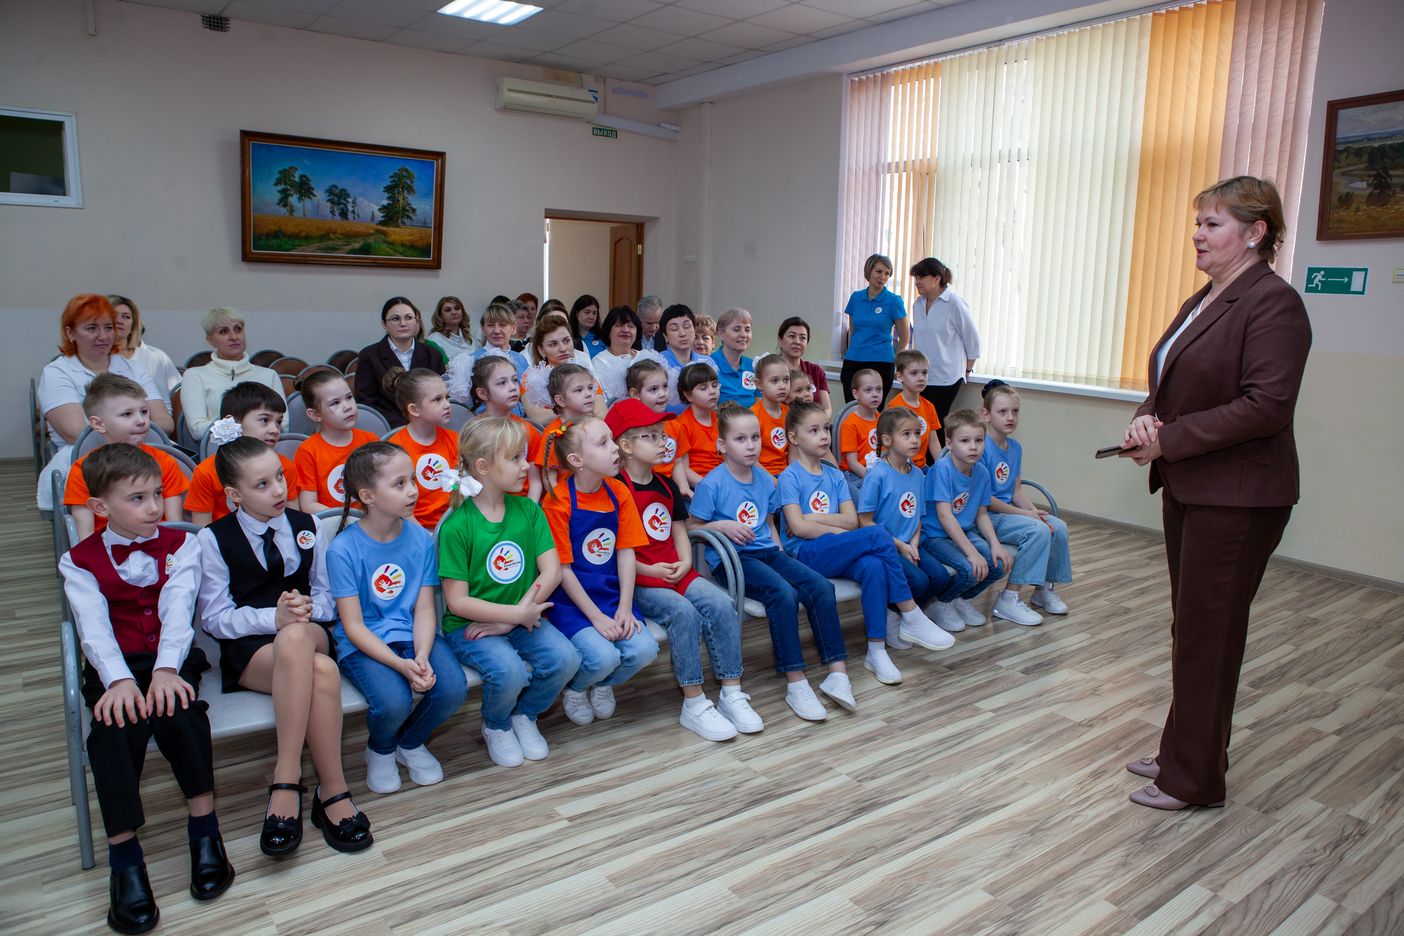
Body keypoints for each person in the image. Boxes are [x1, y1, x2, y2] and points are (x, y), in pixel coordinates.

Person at [1118, 176, 1311, 811]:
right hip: (1194, 486)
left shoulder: (1274, 304)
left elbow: (1265, 407)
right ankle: (1185, 749)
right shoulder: (1206, 298)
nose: (1197, 235)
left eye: (1212, 224)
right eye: (1198, 223)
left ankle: (1193, 779)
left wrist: (1169, 441)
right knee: (1194, 627)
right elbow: (1169, 382)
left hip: (1238, 496)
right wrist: (1148, 418)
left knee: (1210, 632)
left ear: (1255, 233)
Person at [59, 444, 234, 934]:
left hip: (170, 658)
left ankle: (205, 831)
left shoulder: (183, 545)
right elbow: (93, 629)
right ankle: (125, 859)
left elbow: (178, 611)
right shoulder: (78, 560)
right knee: (113, 727)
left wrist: (166, 670)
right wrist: (117, 680)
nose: (155, 507)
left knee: (180, 712)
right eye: (137, 499)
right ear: (100, 507)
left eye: (157, 494)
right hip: (112, 663)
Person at [196, 437, 371, 858]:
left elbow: (329, 597)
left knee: (296, 637)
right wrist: (271, 618)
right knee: (322, 671)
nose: (278, 489)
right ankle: (332, 791)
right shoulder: (212, 538)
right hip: (251, 648)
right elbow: (214, 618)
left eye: (279, 476)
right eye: (262, 485)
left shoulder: (309, 525)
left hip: (310, 632)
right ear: (234, 495)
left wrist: (305, 609)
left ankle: (286, 778)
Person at [609, 398, 764, 741]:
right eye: (650, 436)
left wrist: (684, 562)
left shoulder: (666, 485)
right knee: (683, 613)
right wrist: (653, 571)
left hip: (677, 570)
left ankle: (731, 692)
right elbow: (616, 554)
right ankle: (693, 703)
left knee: (722, 604)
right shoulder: (615, 490)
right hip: (640, 579)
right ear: (626, 446)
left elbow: (680, 531)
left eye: (661, 435)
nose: (662, 442)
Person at [687, 405, 853, 722]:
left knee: (820, 587)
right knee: (783, 593)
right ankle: (796, 683)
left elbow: (768, 521)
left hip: (767, 553)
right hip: (733, 560)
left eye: (755, 437)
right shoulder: (712, 484)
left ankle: (837, 672)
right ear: (722, 445)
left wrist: (779, 550)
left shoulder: (765, 479)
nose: (750, 445)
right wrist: (722, 526)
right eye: (740, 439)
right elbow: (691, 527)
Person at [438, 417, 579, 768]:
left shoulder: (528, 510)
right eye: (515, 458)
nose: (526, 466)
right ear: (483, 467)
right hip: (470, 626)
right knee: (510, 672)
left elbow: (551, 572)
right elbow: (457, 601)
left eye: (524, 457)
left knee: (566, 659)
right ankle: (496, 724)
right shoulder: (457, 526)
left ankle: (525, 715)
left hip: (521, 616)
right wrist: (515, 616)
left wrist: (514, 617)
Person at [328, 442, 468, 794]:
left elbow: (424, 609)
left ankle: (409, 742)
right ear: (368, 496)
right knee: (394, 701)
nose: (413, 490)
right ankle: (380, 748)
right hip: (364, 643)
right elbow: (353, 626)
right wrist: (400, 665)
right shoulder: (342, 549)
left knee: (452, 688)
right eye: (400, 483)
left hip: (411, 634)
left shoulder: (421, 540)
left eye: (413, 480)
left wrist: (420, 655)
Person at [778, 401, 947, 687]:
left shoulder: (835, 475)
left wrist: (815, 517)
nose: (823, 436)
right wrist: (834, 530)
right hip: (805, 553)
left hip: (836, 547)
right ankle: (910, 613)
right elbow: (798, 528)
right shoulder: (789, 477)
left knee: (873, 566)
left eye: (826, 429)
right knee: (878, 535)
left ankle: (876, 650)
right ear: (793, 437)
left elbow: (850, 521)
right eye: (814, 431)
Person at [541, 419, 660, 727]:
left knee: (645, 650)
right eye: (603, 443)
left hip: (611, 595)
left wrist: (625, 607)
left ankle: (603, 683)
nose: (615, 448)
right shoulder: (557, 502)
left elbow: (626, 552)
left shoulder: (618, 491)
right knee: (603, 657)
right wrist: (595, 617)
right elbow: (562, 570)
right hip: (571, 602)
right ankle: (576, 687)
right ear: (577, 460)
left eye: (612, 439)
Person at [858, 407, 959, 641]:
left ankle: (907, 619)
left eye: (917, 433)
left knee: (941, 578)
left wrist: (913, 542)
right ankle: (889, 614)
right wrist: (900, 546)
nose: (915, 440)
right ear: (887, 440)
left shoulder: (917, 474)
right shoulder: (877, 475)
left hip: (910, 543)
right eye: (906, 434)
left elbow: (918, 516)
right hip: (885, 545)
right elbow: (864, 521)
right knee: (919, 581)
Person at [980, 380, 1071, 624]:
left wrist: (1033, 511)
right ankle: (1008, 598)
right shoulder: (980, 447)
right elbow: (985, 500)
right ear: (986, 415)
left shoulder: (1015, 448)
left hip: (1009, 513)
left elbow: (1016, 490)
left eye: (1015, 411)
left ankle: (1043, 590)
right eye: (1002, 412)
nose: (1010, 417)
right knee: (1037, 531)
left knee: (1057, 527)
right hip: (988, 516)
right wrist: (1026, 516)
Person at [65, 374, 190, 539]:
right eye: (127, 414)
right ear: (99, 424)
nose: (141, 420)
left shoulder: (164, 461)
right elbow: (85, 536)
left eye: (144, 412)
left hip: (161, 543)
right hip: (108, 547)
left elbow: (175, 523)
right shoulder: (82, 470)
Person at [919, 409, 1011, 629]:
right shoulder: (941, 470)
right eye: (965, 441)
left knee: (998, 565)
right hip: (934, 536)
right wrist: (971, 553)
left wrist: (995, 544)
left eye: (979, 440)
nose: (973, 447)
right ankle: (940, 603)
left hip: (964, 532)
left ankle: (960, 599)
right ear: (949, 443)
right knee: (969, 569)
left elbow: (982, 514)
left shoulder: (982, 473)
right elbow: (945, 516)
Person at [40, 293, 172, 447]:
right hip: (86, 455)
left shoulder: (134, 368)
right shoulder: (56, 372)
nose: (103, 336)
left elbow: (165, 423)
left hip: (142, 449)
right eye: (92, 328)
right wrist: (136, 431)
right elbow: (76, 434)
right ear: (71, 333)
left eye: (109, 327)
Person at [187, 383, 298, 526]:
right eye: (265, 420)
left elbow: (293, 521)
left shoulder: (283, 467)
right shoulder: (206, 473)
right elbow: (202, 527)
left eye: (278, 422)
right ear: (231, 421)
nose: (275, 430)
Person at [907, 258, 980, 447]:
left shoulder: (954, 303)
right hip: (923, 376)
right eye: (915, 278)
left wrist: (967, 370)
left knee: (936, 424)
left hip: (947, 376)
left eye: (921, 277)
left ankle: (937, 464)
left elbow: (973, 341)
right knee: (920, 423)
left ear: (937, 278)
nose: (917, 282)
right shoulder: (917, 304)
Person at [179, 307, 282, 438]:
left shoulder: (269, 375)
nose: (234, 337)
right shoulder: (195, 376)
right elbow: (198, 430)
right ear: (210, 340)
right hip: (219, 449)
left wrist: (237, 426)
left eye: (238, 329)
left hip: (264, 448)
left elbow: (283, 425)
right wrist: (245, 426)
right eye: (224, 331)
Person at [293, 371, 380, 514]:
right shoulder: (308, 451)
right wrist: (348, 518)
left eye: (349, 397)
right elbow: (308, 505)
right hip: (333, 524)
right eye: (335, 403)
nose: (347, 406)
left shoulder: (370, 441)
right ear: (315, 415)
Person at [354, 297, 446, 429]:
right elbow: (366, 402)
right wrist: (404, 426)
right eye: (395, 319)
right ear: (384, 325)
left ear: (416, 321)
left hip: (429, 425)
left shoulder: (433, 354)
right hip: (390, 428)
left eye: (408, 317)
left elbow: (442, 396)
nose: (403, 323)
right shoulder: (369, 356)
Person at [384, 368, 458, 530]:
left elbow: (459, 487)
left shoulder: (455, 440)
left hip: (455, 525)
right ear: (414, 410)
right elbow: (399, 505)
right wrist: (424, 536)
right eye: (437, 399)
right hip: (414, 528)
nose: (447, 404)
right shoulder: (395, 450)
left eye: (447, 397)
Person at [467, 354, 544, 500]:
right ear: (482, 393)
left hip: (523, 502)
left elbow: (535, 481)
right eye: (502, 383)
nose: (513, 387)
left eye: (514, 380)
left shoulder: (528, 430)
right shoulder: (475, 432)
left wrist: (530, 510)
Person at [839, 253, 908, 403]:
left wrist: (893, 359)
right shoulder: (856, 298)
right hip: (853, 361)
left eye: (887, 273)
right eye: (878, 271)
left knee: (874, 410)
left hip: (881, 363)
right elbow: (853, 333)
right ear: (869, 271)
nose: (882, 277)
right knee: (852, 409)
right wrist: (852, 352)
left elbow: (905, 338)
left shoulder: (894, 301)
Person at [521, 313, 603, 425]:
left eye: (566, 340)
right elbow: (538, 417)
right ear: (541, 350)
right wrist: (581, 413)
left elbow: (601, 413)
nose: (563, 348)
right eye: (553, 344)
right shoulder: (530, 379)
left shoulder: (584, 373)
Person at [531, 363, 599, 490]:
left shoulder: (594, 424)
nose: (589, 394)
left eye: (590, 388)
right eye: (579, 390)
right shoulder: (554, 433)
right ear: (561, 400)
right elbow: (549, 480)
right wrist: (563, 500)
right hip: (567, 496)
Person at [109, 295, 180, 404]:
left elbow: (170, 399)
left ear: (133, 326)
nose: (119, 321)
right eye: (113, 315)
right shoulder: (92, 359)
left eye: (126, 317)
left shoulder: (153, 358)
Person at [669, 362, 722, 499]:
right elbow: (684, 469)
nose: (712, 391)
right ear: (688, 395)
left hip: (721, 481)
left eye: (715, 385)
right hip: (698, 486)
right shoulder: (681, 425)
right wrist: (710, 487)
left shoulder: (720, 420)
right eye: (703, 388)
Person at [591, 305, 657, 405]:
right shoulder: (598, 363)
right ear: (608, 330)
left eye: (631, 326)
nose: (626, 330)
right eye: (619, 325)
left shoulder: (646, 357)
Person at [888, 349, 942, 468]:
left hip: (922, 466)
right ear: (900, 376)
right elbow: (890, 444)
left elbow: (933, 442)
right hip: (900, 467)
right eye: (914, 373)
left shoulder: (929, 407)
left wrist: (942, 466)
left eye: (924, 372)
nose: (921, 378)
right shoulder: (894, 407)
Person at [657, 304, 715, 412]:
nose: (682, 333)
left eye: (687, 326)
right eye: (674, 329)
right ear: (665, 336)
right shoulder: (658, 363)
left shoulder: (707, 363)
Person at [775, 317, 833, 420]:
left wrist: (815, 424)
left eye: (802, 338)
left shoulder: (816, 371)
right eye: (792, 336)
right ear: (780, 340)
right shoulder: (770, 370)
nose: (797, 341)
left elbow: (827, 408)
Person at [838, 368, 884, 497]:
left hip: (877, 472)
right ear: (856, 394)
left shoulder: (882, 419)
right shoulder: (850, 424)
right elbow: (852, 463)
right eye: (868, 390)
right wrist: (874, 478)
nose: (875, 394)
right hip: (855, 475)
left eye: (879, 389)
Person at [750, 355, 790, 477]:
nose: (782, 386)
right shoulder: (752, 416)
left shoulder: (789, 413)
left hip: (786, 475)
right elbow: (751, 461)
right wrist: (775, 482)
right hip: (760, 475)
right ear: (759, 384)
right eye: (775, 381)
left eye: (786, 380)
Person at [711, 307, 756, 408]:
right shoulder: (708, 364)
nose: (744, 335)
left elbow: (759, 405)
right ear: (721, 334)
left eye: (747, 330)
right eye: (737, 329)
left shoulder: (753, 366)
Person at [425, 296, 476, 364]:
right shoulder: (434, 340)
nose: (454, 312)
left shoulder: (469, 337)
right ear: (440, 316)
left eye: (457, 308)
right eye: (448, 310)